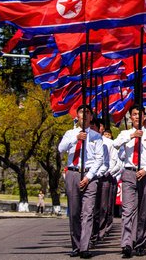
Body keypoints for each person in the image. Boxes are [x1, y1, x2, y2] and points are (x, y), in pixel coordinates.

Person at [112, 105, 146, 258]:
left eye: (140, 114)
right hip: (129, 173)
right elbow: (115, 144)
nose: (137, 117)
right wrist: (131, 136)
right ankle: (126, 244)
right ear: (130, 118)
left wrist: (145, 170)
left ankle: (140, 242)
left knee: (144, 211)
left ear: (145, 117)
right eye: (134, 114)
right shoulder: (125, 133)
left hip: (145, 175)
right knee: (128, 210)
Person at [58, 105, 104, 259]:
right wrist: (75, 139)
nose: (84, 116)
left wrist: (89, 176)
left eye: (87, 113)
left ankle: (84, 247)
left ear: (91, 117)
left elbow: (99, 159)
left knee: (88, 212)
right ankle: (76, 246)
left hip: (89, 176)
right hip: (73, 173)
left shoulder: (97, 137)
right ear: (76, 116)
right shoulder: (69, 133)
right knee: (75, 212)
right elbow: (61, 149)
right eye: (81, 113)